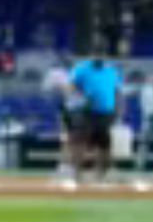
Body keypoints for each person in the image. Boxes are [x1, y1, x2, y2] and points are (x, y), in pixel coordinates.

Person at [70, 50, 123, 183]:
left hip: (106, 111)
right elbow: (71, 86)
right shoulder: (81, 68)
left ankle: (100, 173)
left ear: (105, 56)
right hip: (86, 111)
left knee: (104, 144)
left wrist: (119, 110)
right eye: (96, 55)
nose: (98, 58)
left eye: (101, 55)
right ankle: (77, 173)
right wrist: (82, 97)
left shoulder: (112, 70)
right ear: (91, 55)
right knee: (80, 141)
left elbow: (117, 91)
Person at [42, 54, 82, 183]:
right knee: (66, 138)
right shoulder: (57, 74)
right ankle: (64, 166)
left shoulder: (77, 75)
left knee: (72, 139)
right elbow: (48, 90)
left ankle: (68, 165)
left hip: (75, 109)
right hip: (65, 110)